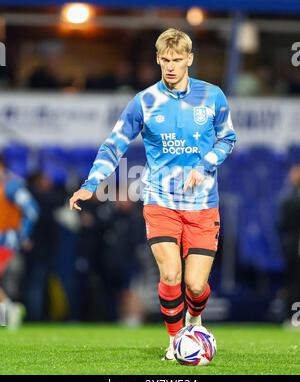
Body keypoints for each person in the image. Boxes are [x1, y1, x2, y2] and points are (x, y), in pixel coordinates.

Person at [69, 28, 237, 360]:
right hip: (161, 202)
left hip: (203, 207)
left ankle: (195, 320)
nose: (171, 66)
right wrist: (91, 184)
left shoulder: (213, 96)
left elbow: (227, 139)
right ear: (157, 59)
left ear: (190, 59)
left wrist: (204, 165)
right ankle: (176, 342)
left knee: (196, 286)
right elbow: (114, 144)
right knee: (171, 274)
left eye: (177, 60)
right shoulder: (144, 102)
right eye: (165, 60)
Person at [0, 154, 39, 328]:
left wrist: (22, 236)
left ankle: (10, 310)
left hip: (7, 242)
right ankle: (8, 312)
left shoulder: (11, 186)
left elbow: (32, 210)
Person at [277, 164, 300, 325]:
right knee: (293, 282)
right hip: (293, 247)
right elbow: (281, 224)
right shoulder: (288, 197)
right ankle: (292, 316)